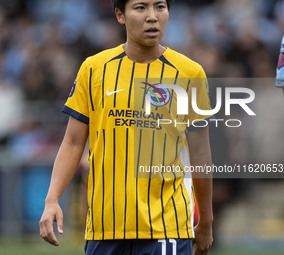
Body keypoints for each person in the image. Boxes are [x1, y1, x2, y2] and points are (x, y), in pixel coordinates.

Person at [40, 0, 213, 254]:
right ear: (120, 15)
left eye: (160, 7)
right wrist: (52, 199)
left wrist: (206, 221)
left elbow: (200, 153)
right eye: (141, 8)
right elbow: (73, 142)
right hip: (104, 228)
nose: (152, 17)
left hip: (168, 228)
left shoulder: (190, 73)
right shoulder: (94, 69)